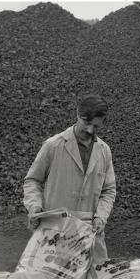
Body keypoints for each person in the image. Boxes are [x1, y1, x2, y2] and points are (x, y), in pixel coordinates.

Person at [23, 95, 116, 261]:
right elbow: (33, 181)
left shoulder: (104, 151)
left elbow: (108, 190)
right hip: (55, 231)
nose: (90, 130)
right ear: (77, 114)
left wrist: (101, 217)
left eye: (96, 126)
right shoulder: (53, 145)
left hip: (89, 234)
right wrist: (34, 206)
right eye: (86, 123)